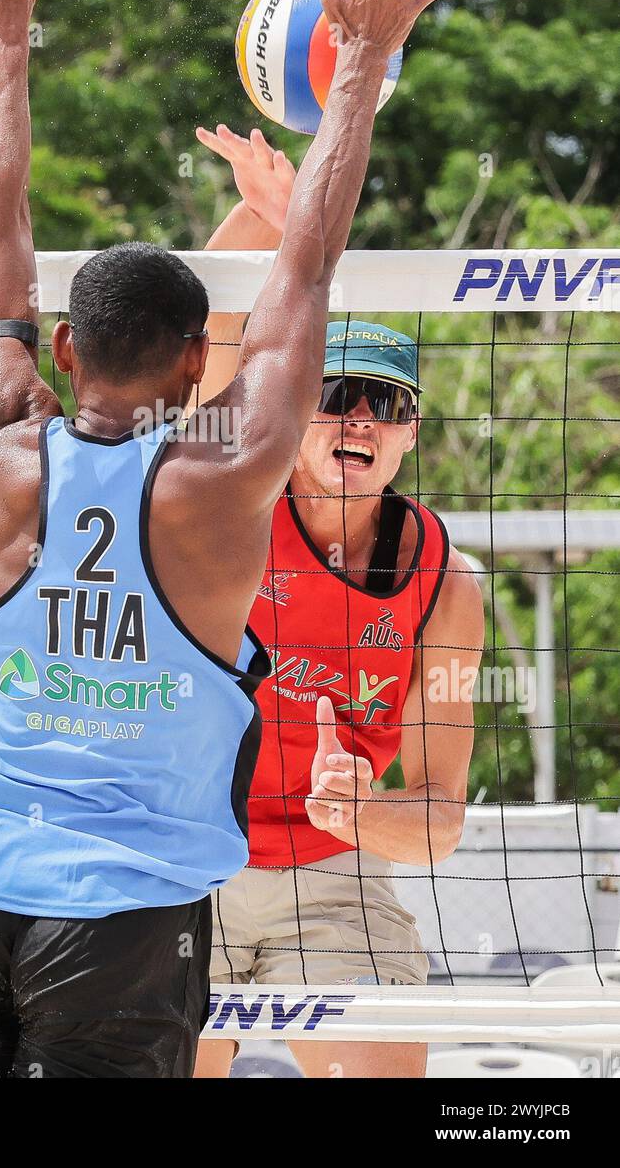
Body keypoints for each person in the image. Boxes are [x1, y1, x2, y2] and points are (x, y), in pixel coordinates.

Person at [0, 0, 463, 1078]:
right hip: (127, 918)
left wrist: (4, 13)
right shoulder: (224, 472)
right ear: (204, 354)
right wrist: (357, 64)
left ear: (57, 347)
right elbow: (300, 277)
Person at [190, 125, 484, 1080]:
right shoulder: (235, 497)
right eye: (338, 393)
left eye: (384, 404)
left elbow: (438, 819)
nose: (359, 418)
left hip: (335, 873)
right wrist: (268, 212)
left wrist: (363, 817)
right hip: (187, 854)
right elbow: (214, 325)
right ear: (300, 404)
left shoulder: (445, 580)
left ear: (410, 434)